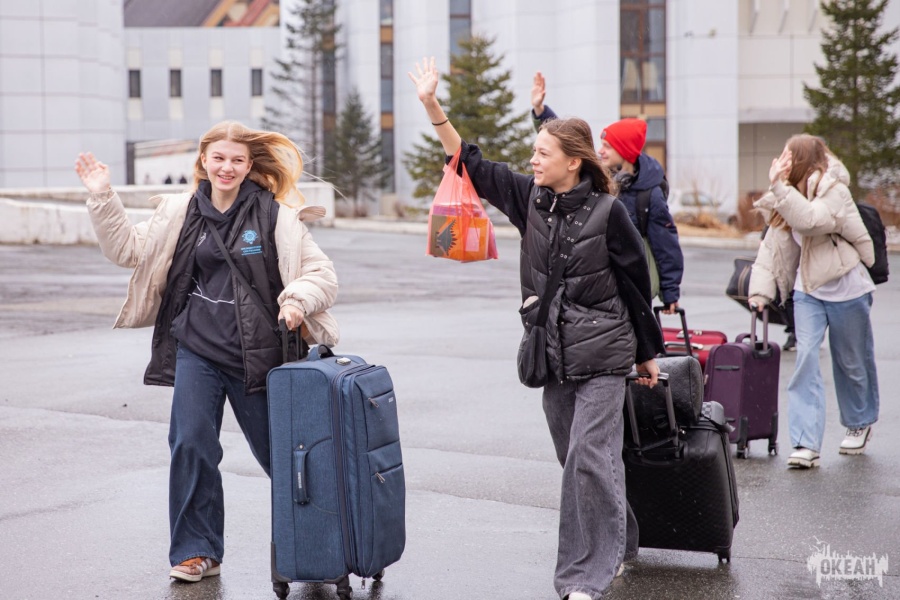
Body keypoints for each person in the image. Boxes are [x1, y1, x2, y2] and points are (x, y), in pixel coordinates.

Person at [409, 57, 664, 600]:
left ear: (574, 162)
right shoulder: (530, 199)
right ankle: (621, 538)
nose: (533, 159)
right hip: (552, 353)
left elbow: (636, 287)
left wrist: (647, 353)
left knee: (588, 458)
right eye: (534, 152)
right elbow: (468, 161)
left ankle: (582, 578)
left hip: (605, 354)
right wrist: (432, 104)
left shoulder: (610, 213)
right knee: (578, 460)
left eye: (543, 153)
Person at [74, 121, 339, 582]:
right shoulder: (180, 213)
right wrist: (102, 196)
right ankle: (198, 551)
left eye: (237, 160)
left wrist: (297, 299)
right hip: (196, 349)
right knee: (191, 445)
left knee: (284, 457)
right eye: (218, 158)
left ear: (249, 166)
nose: (227, 167)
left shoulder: (274, 216)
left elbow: (322, 274)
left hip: (259, 355)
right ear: (203, 161)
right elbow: (128, 250)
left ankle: (323, 547)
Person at [748, 134, 878, 469]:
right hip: (808, 292)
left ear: (802, 160)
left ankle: (859, 422)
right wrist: (760, 292)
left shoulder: (834, 189)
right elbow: (772, 249)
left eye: (788, 156)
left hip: (847, 287)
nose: (781, 162)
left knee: (851, 361)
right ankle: (806, 442)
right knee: (805, 359)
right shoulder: (785, 194)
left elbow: (810, 220)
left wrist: (778, 187)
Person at [530, 72, 684, 312]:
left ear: (625, 151)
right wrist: (541, 112)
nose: (600, 151)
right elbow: (566, 146)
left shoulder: (649, 194)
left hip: (631, 282)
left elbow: (665, 244)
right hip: (602, 278)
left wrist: (670, 293)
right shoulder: (601, 175)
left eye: (608, 147)